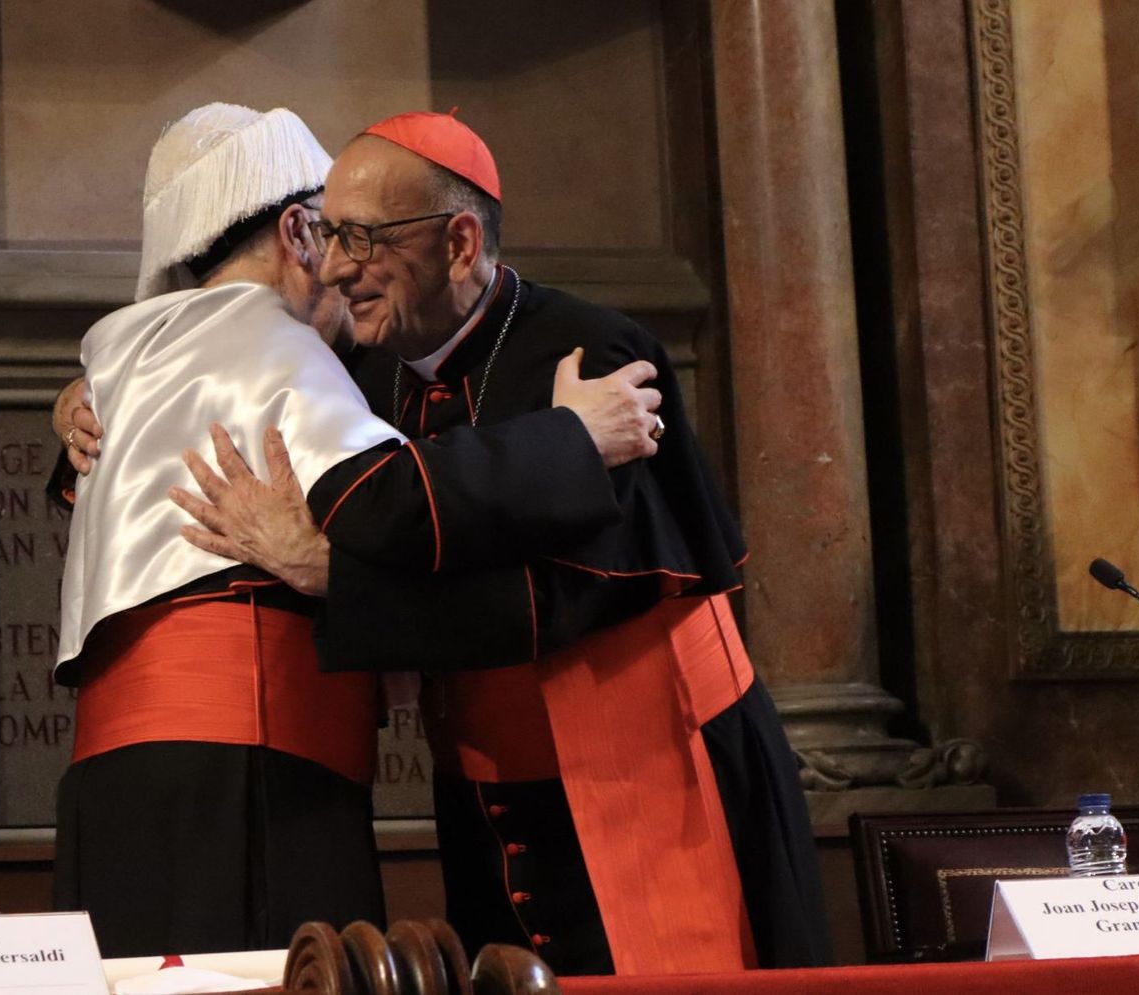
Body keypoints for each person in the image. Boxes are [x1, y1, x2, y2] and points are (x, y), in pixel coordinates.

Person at [167, 112, 833, 975]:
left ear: (459, 243)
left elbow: (551, 598)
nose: (332, 268)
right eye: (329, 234)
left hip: (645, 766)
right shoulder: (361, 373)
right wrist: (83, 400)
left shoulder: (597, 359)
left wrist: (333, 573)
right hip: (486, 795)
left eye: (363, 238)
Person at [52, 102, 663, 959]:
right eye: (334, 235)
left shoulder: (128, 353)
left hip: (115, 786)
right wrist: (572, 437)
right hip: (251, 774)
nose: (342, 269)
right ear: (297, 232)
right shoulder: (271, 337)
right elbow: (391, 504)